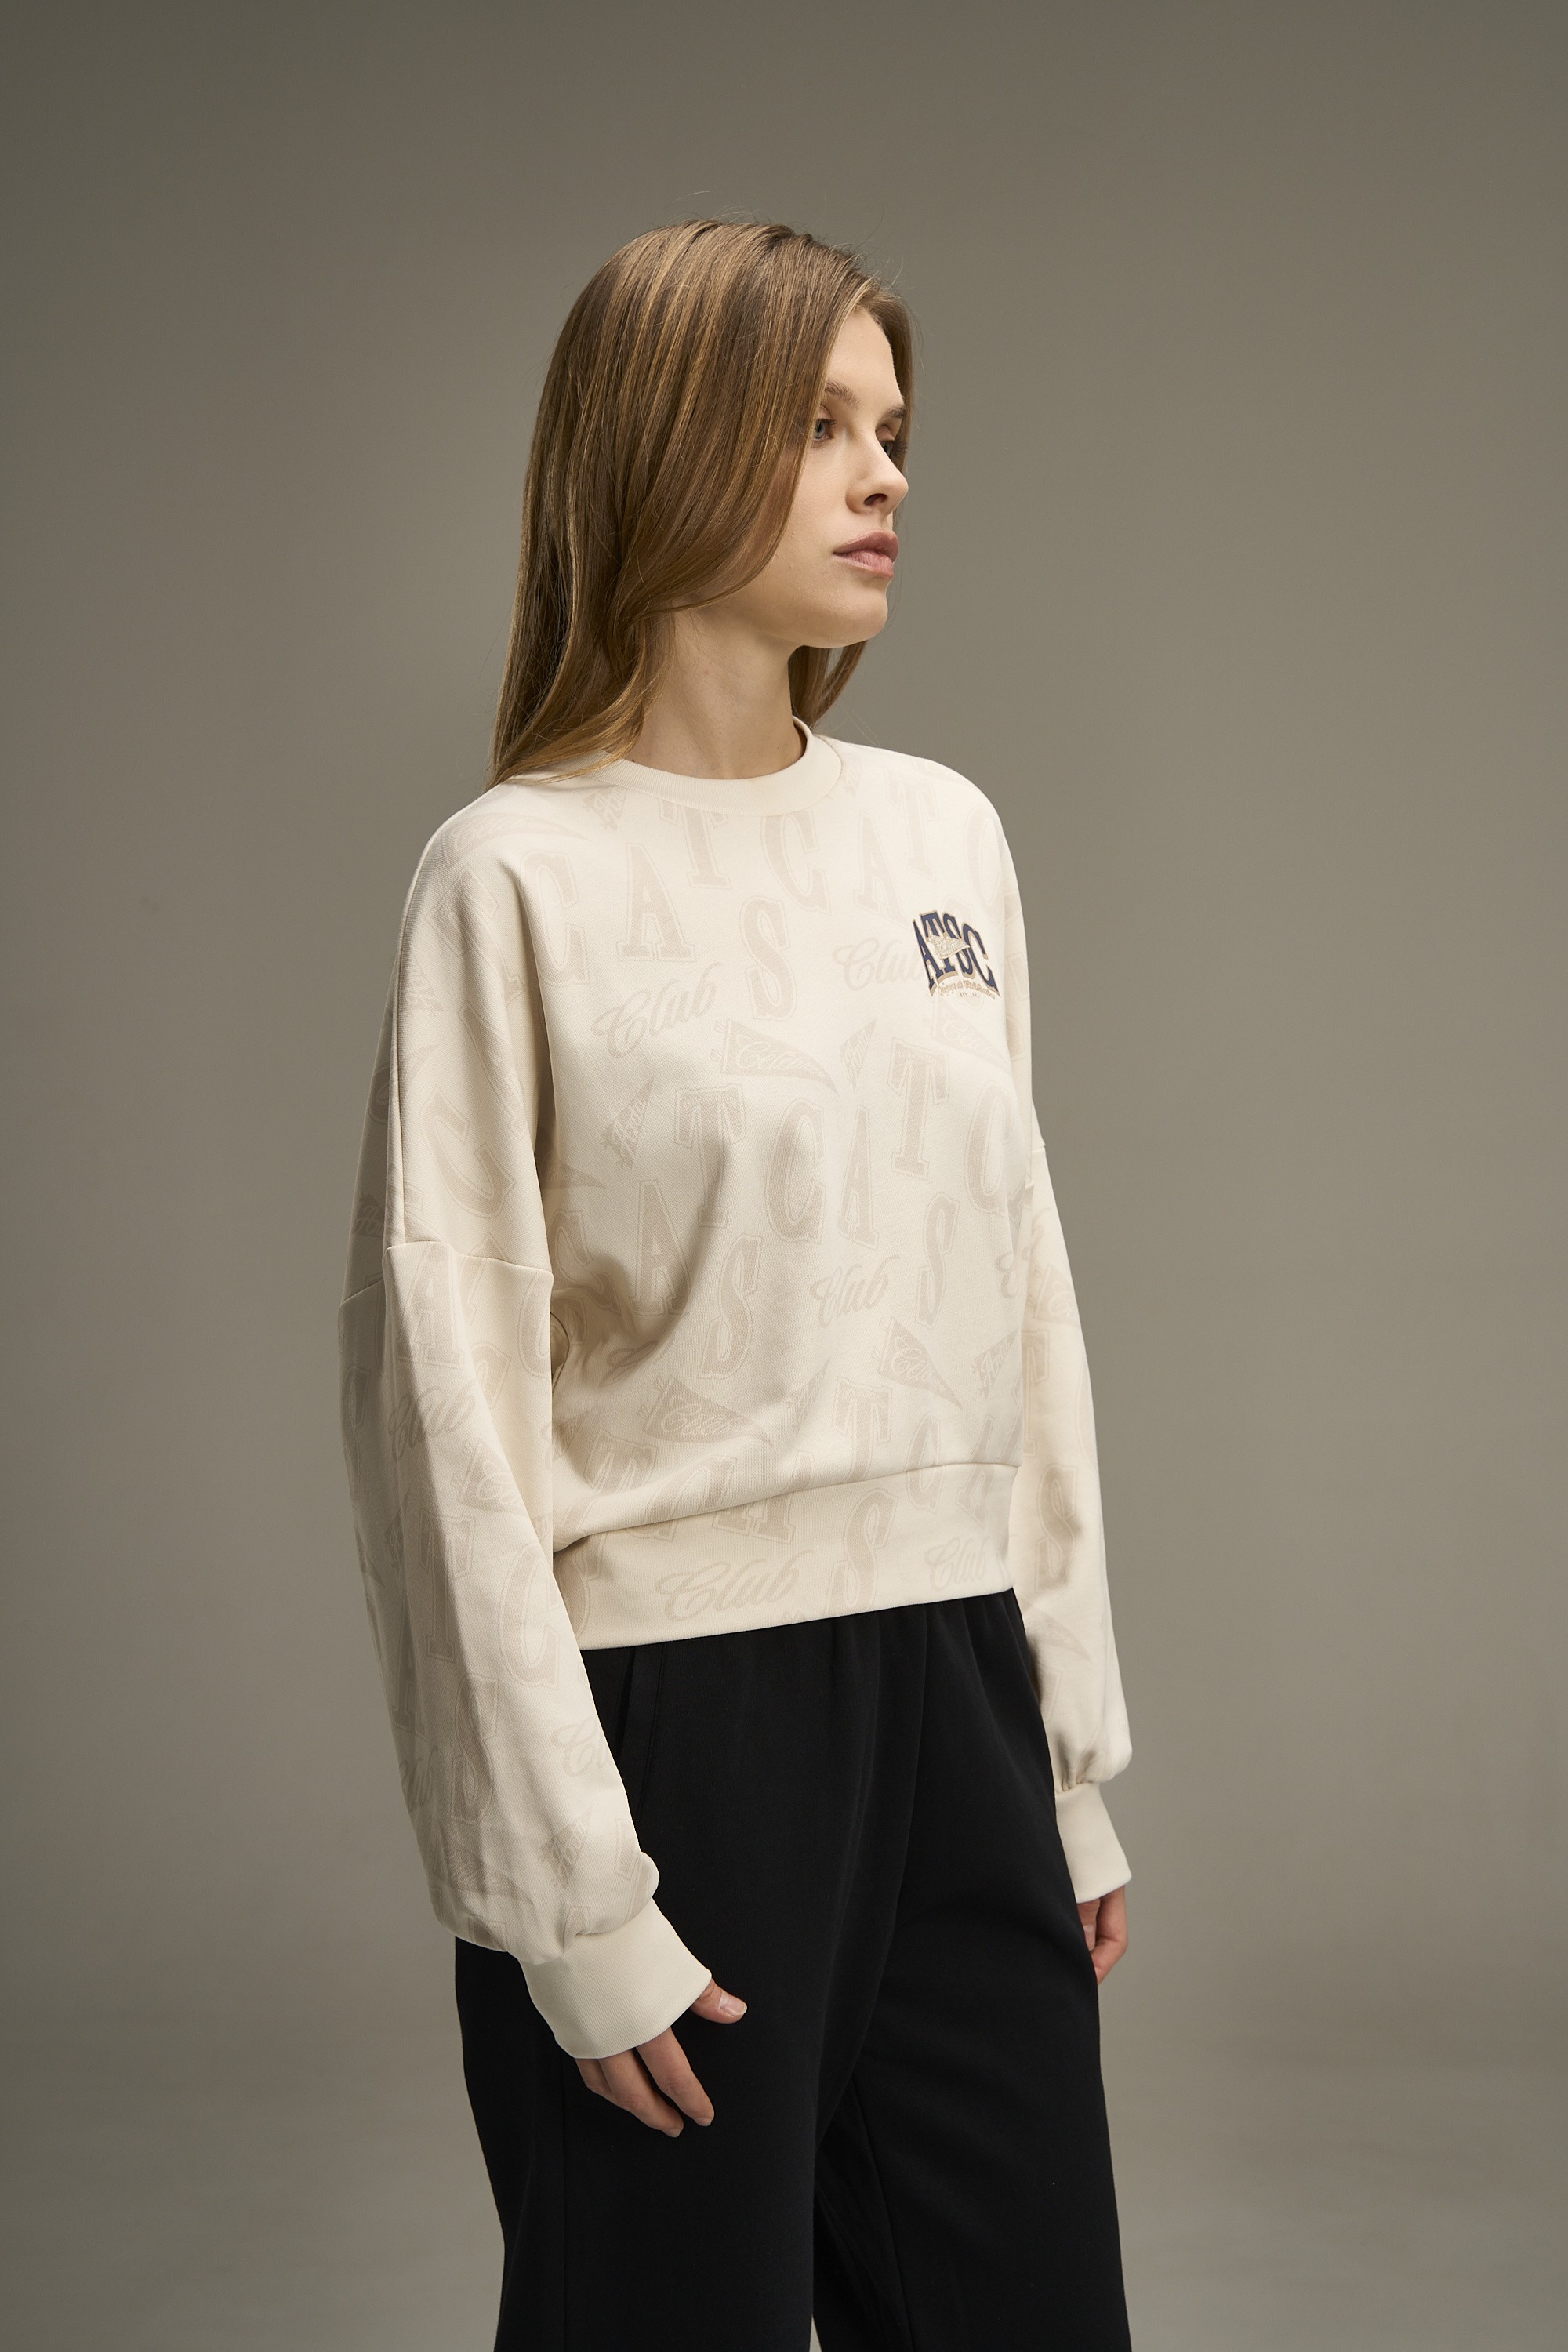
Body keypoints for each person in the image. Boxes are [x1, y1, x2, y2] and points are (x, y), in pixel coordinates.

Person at [339, 218, 1134, 2351]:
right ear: (670, 447)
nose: (888, 475)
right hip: (674, 1742)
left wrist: (1065, 1764)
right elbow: (447, 1415)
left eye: (897, 428)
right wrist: (566, 1895)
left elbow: (1019, 1302)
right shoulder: (512, 879)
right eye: (820, 425)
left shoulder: (944, 840)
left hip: (961, 1695)